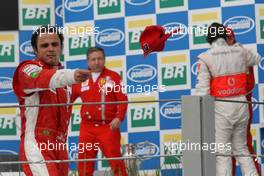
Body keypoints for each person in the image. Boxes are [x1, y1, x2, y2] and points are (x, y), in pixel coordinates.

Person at [12, 25, 91, 176]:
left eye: (55, 44)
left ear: (61, 47)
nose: (50, 48)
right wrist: (71, 76)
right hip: (37, 143)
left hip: (60, 147)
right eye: (44, 45)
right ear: (35, 50)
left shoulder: (67, 82)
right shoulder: (27, 69)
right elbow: (43, 78)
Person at [193, 22, 260, 176]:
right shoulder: (240, 52)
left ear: (209, 38)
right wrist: (237, 46)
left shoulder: (205, 58)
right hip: (242, 105)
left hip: (222, 109)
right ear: (225, 36)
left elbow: (203, 92)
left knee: (222, 153)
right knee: (242, 150)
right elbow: (256, 58)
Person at [71, 47, 128, 176]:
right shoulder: (81, 78)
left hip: (108, 127)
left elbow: (123, 99)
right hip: (87, 128)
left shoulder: (114, 77)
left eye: (100, 59)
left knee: (116, 163)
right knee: (84, 164)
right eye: (93, 59)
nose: (97, 62)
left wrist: (119, 117)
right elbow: (68, 100)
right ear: (87, 62)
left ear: (104, 59)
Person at [226, 27, 262, 176]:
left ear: (233, 38)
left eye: (228, 38)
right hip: (223, 110)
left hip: (240, 108)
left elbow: (248, 85)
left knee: (244, 146)